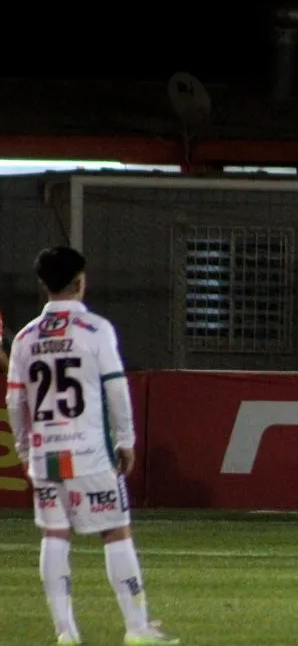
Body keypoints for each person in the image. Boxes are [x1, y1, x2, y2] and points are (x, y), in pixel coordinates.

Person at [6, 246, 178, 645]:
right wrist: (126, 439)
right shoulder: (95, 329)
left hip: (46, 454)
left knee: (55, 535)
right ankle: (137, 628)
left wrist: (25, 449)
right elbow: (115, 389)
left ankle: (65, 632)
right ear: (80, 282)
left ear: (44, 284)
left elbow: (15, 401)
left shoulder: (26, 337)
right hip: (87, 452)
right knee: (116, 531)